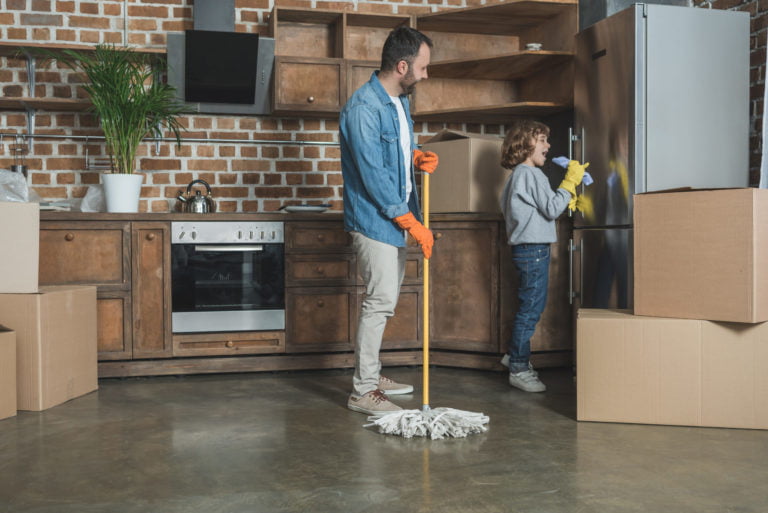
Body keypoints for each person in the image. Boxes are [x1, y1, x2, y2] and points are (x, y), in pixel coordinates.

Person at [339, 26, 438, 416]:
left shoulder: (398, 102)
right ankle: (362, 390)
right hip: (374, 218)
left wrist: (415, 155)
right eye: (423, 67)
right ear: (402, 66)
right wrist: (408, 220)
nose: (425, 75)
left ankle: (372, 372)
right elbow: (372, 173)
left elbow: (393, 148)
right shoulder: (363, 107)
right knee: (379, 302)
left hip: (396, 216)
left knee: (387, 301)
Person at [499, 120, 587, 392]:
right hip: (533, 250)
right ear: (526, 144)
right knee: (530, 310)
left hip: (527, 249)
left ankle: (514, 355)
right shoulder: (531, 175)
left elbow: (540, 209)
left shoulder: (517, 176)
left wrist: (563, 198)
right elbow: (551, 209)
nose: (548, 145)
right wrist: (569, 184)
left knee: (528, 307)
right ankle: (518, 367)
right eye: (542, 140)